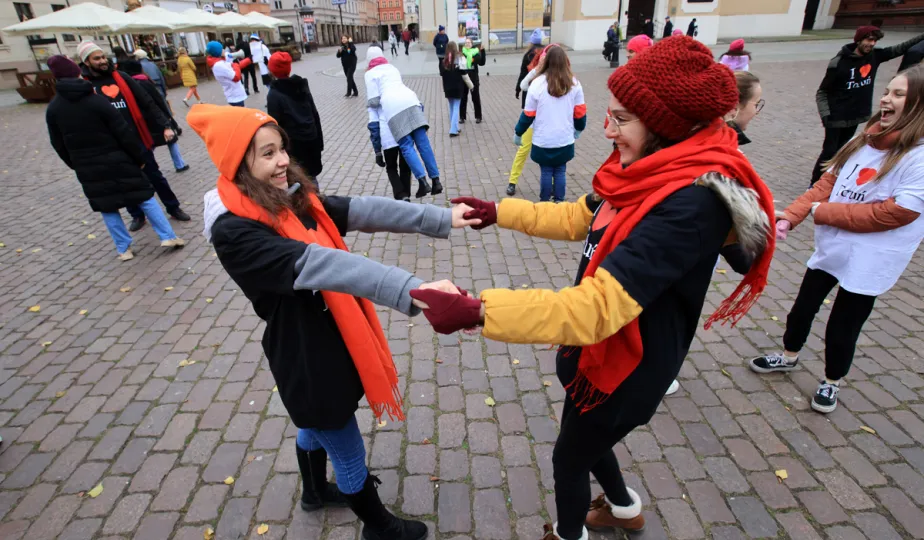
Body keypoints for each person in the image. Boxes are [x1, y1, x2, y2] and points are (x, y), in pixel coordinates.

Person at [416, 38, 775, 540]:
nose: (607, 129)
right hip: (598, 355)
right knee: (584, 440)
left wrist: (479, 311)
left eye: (622, 119)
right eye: (610, 115)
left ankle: (569, 534)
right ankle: (624, 508)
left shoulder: (689, 206)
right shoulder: (641, 172)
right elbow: (576, 216)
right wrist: (500, 212)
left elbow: (594, 308)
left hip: (627, 368)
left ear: (665, 126)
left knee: (569, 457)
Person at [192, 103, 479, 540]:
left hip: (327, 335)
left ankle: (313, 492)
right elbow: (320, 263)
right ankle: (379, 528)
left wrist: (440, 218)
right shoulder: (235, 232)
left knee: (315, 423)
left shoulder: (284, 197)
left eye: (282, 148)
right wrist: (413, 289)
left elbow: (359, 210)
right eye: (267, 154)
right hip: (305, 352)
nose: (283, 160)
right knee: (344, 445)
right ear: (239, 164)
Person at [752, 66, 924, 414]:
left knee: (844, 325)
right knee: (802, 308)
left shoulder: (917, 157)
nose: (886, 99)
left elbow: (897, 213)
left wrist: (823, 212)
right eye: (887, 91)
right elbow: (827, 183)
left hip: (870, 260)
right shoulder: (864, 140)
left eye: (898, 94)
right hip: (834, 248)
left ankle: (832, 380)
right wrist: (792, 215)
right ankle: (789, 355)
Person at [46, 55, 185, 261]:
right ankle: (168, 236)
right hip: (118, 157)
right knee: (144, 196)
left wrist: (75, 164)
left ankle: (123, 248)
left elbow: (58, 143)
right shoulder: (96, 101)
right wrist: (137, 156)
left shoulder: (54, 108)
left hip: (86, 165)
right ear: (77, 73)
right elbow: (122, 131)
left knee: (107, 207)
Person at [78, 40, 191, 230]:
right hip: (112, 146)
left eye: (103, 57)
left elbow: (147, 101)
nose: (103, 61)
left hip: (137, 140)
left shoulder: (121, 78)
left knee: (155, 177)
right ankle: (137, 215)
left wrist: (165, 125)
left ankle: (173, 207)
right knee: (124, 183)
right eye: (97, 58)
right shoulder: (86, 86)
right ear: (86, 62)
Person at [811, 25, 924, 185]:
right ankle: (814, 183)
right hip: (835, 117)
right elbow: (822, 92)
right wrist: (826, 116)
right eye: (869, 40)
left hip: (855, 115)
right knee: (829, 151)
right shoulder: (838, 63)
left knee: (843, 150)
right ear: (858, 40)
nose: (871, 44)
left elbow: (901, 48)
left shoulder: (875, 56)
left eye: (874, 41)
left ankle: (832, 180)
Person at [365, 46, 442, 197]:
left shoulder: (370, 74)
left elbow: (373, 102)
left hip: (394, 108)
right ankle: (436, 181)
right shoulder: (392, 68)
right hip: (412, 100)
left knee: (406, 145)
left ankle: (423, 182)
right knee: (423, 144)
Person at [513, 46, 585, 202]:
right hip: (564, 138)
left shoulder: (537, 84)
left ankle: (544, 202)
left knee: (546, 171)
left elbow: (528, 114)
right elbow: (580, 112)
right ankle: (559, 201)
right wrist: (579, 128)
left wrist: (518, 132)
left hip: (543, 139)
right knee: (560, 170)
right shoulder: (574, 83)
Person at [121, 59, 190, 174]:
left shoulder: (127, 86)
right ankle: (179, 164)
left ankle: (151, 166)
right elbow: (158, 100)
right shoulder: (145, 82)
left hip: (142, 118)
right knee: (171, 139)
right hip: (156, 116)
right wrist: (167, 115)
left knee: (149, 142)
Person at [266, 52, 324, 182]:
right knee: (311, 179)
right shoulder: (301, 86)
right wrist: (319, 143)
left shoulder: (274, 94)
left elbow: (275, 127)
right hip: (311, 140)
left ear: (272, 70)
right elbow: (315, 115)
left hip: (292, 147)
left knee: (296, 182)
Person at [507, 30, 546, 196]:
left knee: (527, 149)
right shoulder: (533, 56)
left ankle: (512, 182)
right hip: (532, 109)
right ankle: (512, 181)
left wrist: (518, 89)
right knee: (527, 147)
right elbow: (524, 76)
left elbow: (522, 76)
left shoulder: (534, 54)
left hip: (541, 112)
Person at [369, 104, 412, 200]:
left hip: (388, 138)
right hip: (404, 135)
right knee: (405, 167)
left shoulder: (374, 103)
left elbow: (374, 126)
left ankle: (401, 194)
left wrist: (378, 152)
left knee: (391, 168)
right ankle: (405, 195)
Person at [206, 40, 251, 107]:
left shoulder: (220, 62)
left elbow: (236, 66)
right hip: (235, 96)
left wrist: (249, 60)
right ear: (217, 52)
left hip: (235, 95)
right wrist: (235, 64)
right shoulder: (219, 65)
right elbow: (236, 77)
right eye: (221, 49)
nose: (223, 50)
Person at [440, 41, 469, 137]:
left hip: (447, 88)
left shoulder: (443, 61)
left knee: (452, 107)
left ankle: (456, 127)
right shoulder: (460, 59)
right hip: (457, 87)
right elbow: (464, 72)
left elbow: (441, 73)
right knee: (456, 107)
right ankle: (453, 130)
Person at [460, 38, 486, 124]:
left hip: (474, 79)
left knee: (475, 98)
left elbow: (482, 63)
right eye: (466, 42)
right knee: (463, 98)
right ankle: (462, 117)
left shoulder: (475, 53)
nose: (467, 44)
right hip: (464, 79)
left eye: (469, 42)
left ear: (472, 44)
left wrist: (483, 51)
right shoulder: (462, 53)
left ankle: (478, 117)